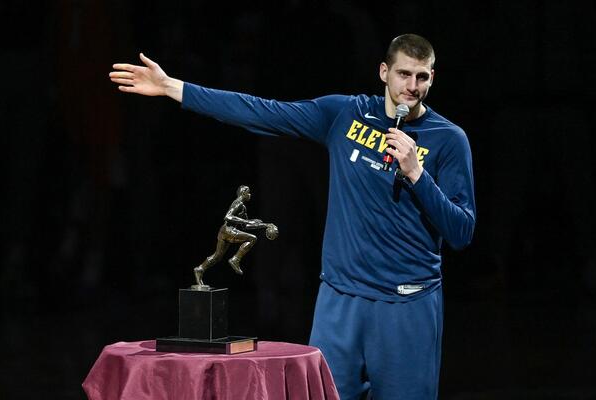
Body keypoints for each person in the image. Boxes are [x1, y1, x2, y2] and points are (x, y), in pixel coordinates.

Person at [109, 33, 476, 399]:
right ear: (384, 72)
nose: (412, 86)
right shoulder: (345, 114)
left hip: (407, 304)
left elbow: (461, 231)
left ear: (432, 77)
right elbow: (261, 111)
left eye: (422, 77)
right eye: (403, 74)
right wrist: (173, 87)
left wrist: (417, 174)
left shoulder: (448, 139)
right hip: (340, 300)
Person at [193, 185, 278, 289]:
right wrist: (246, 221)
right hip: (228, 230)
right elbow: (228, 216)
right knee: (253, 238)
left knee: (217, 257)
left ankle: (200, 269)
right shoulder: (238, 203)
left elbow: (246, 226)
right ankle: (236, 259)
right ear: (243, 193)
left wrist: (265, 225)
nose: (250, 194)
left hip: (224, 231)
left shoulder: (243, 207)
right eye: (248, 192)